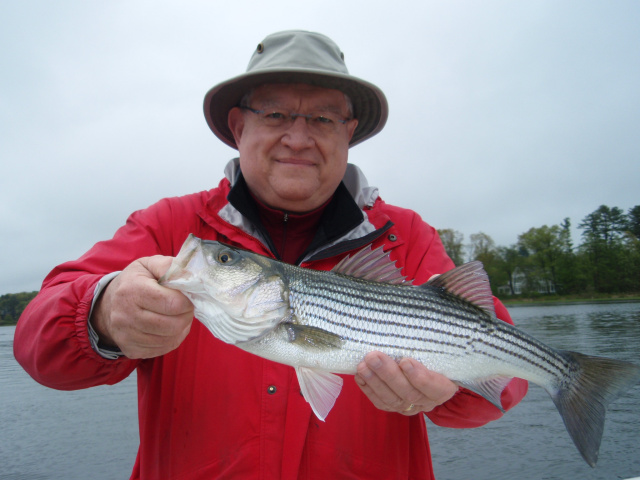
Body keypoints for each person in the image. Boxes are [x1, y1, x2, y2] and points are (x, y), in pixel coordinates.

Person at [14, 30, 528, 479]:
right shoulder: (171, 228)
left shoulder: (406, 235)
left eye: (324, 118)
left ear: (349, 132)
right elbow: (38, 347)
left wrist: (447, 389)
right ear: (239, 127)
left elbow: (505, 386)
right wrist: (102, 314)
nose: (298, 138)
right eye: (277, 113)